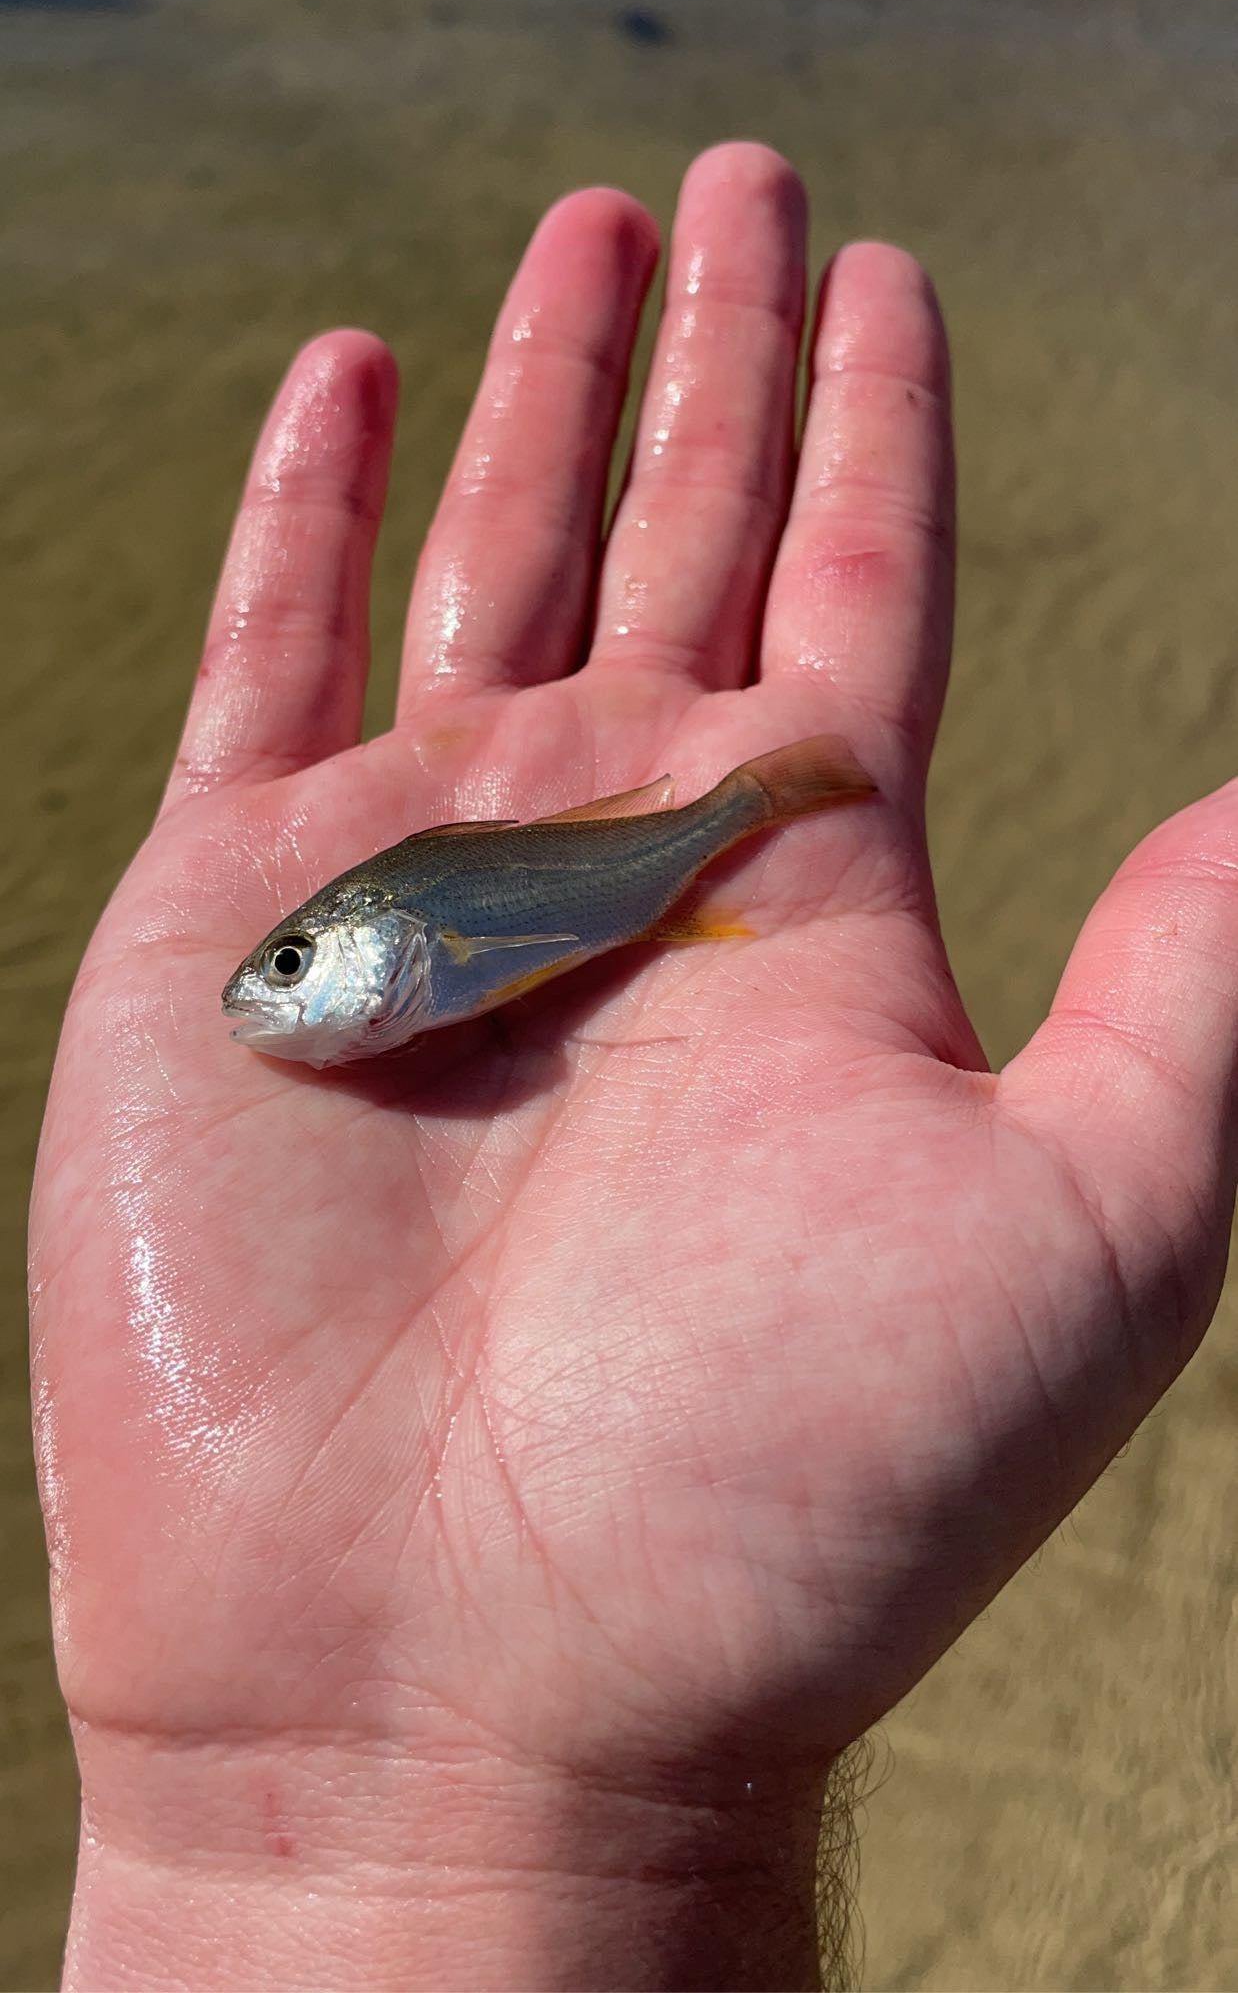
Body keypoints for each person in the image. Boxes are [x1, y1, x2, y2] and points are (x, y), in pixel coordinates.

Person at [29, 143, 1235, 1991]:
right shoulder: (402, 964)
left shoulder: (455, 935)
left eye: (291, 966)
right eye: (281, 965)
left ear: (368, 956)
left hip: (639, 871)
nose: (270, 998)